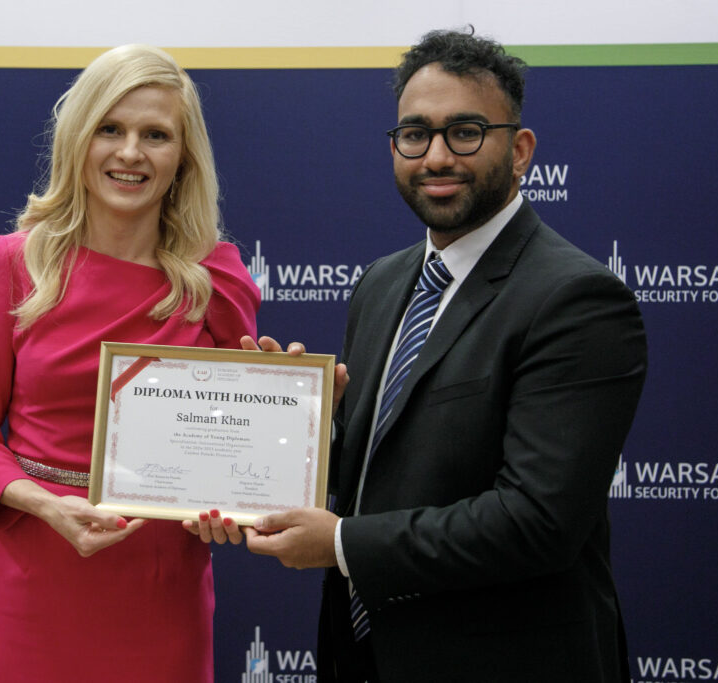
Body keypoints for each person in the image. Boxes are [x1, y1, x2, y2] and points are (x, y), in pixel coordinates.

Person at [243, 28, 647, 682]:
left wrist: (341, 544)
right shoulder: (381, 283)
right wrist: (299, 428)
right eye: (415, 134)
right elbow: (384, 473)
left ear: (520, 150)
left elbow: (537, 522)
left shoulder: (576, 299)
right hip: (366, 657)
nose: (436, 156)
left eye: (464, 132)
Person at [0, 44, 258, 683]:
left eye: (155, 135)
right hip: (30, 579)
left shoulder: (215, 279)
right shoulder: (15, 262)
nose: (130, 153)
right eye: (110, 129)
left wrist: (295, 412)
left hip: (158, 590)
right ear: (78, 139)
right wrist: (45, 504)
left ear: (183, 157)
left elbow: (235, 445)